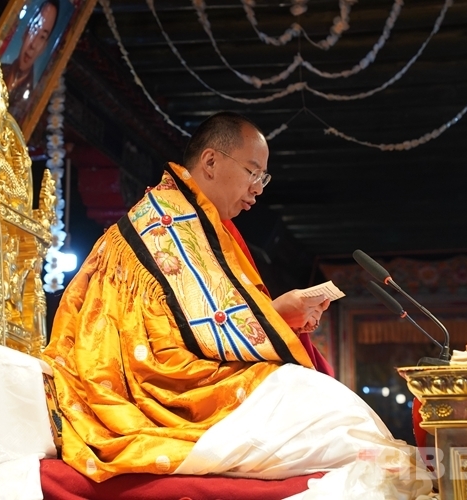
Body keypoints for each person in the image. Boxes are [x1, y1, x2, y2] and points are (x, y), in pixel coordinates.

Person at [43, 112, 431, 498]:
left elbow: (204, 320)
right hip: (163, 384)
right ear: (211, 161)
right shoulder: (167, 221)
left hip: (186, 369)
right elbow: (203, 327)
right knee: (334, 415)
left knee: (341, 418)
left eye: (263, 178)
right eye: (252, 172)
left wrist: (279, 315)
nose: (257, 188)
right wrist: (276, 315)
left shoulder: (196, 218)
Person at [1, 0, 59, 121]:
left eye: (42, 37)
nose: (33, 45)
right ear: (26, 32)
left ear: (44, 47)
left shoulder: (28, 104)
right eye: (35, 29)